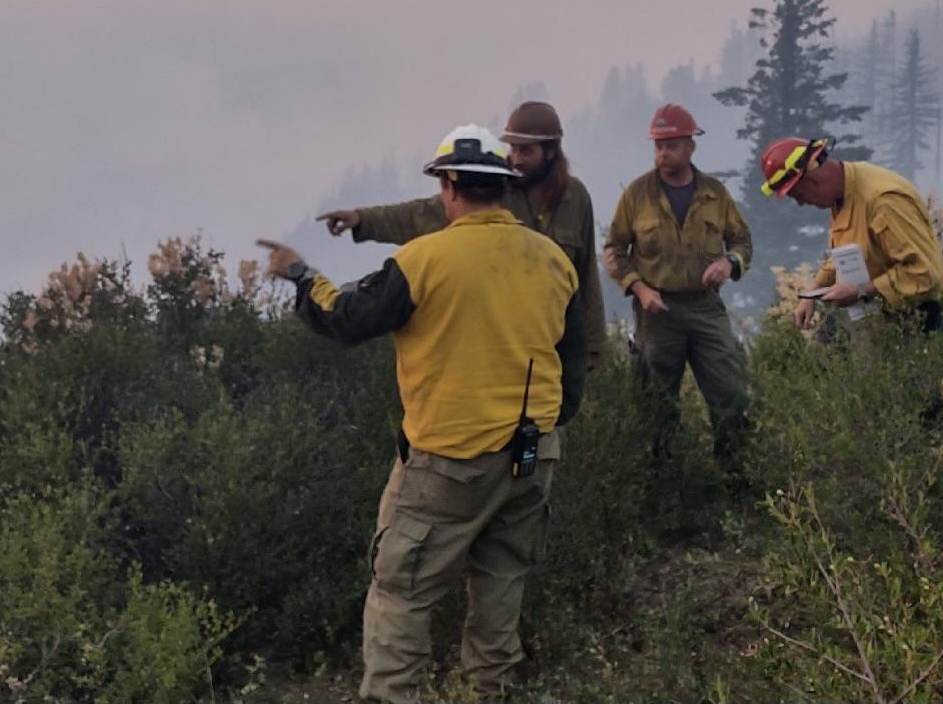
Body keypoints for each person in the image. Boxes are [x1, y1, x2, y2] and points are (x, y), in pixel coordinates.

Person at [260, 124, 585, 703]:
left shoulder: (423, 260)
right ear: (503, 189)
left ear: (453, 187)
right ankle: (493, 692)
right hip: (534, 456)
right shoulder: (554, 261)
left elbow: (347, 320)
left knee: (401, 592)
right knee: (501, 582)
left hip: (449, 461)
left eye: (442, 188)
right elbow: (572, 362)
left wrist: (302, 275)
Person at [315, 100, 607, 369]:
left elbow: (585, 273)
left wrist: (592, 346)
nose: (516, 159)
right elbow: (421, 215)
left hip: (555, 342)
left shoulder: (576, 197)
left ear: (552, 151)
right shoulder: (496, 189)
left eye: (526, 151)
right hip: (504, 341)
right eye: (513, 149)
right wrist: (362, 220)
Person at [601, 103, 752, 459]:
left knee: (731, 396)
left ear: (690, 147)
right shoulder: (637, 195)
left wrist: (730, 263)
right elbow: (613, 250)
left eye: (670, 145)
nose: (662, 153)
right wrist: (639, 288)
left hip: (705, 308)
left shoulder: (715, 193)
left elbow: (743, 241)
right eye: (657, 145)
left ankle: (733, 482)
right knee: (655, 404)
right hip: (657, 312)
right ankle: (666, 488)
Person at [760, 136, 943, 333]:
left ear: (813, 180)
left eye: (799, 196)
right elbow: (850, 250)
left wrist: (860, 291)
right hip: (886, 320)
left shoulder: (883, 201)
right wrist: (813, 290)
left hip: (925, 321)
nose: (802, 203)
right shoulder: (843, 193)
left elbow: (925, 273)